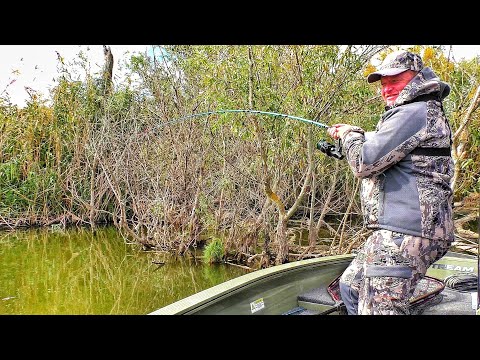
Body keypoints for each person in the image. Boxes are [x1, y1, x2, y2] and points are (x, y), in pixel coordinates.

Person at [327, 50, 454, 315]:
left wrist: (349, 135)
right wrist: (355, 137)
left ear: (416, 78)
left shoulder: (414, 111)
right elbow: (383, 150)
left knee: (380, 308)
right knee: (351, 288)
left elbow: (364, 162)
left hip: (407, 232)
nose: (386, 89)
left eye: (394, 81)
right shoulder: (415, 113)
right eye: (383, 84)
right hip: (405, 230)